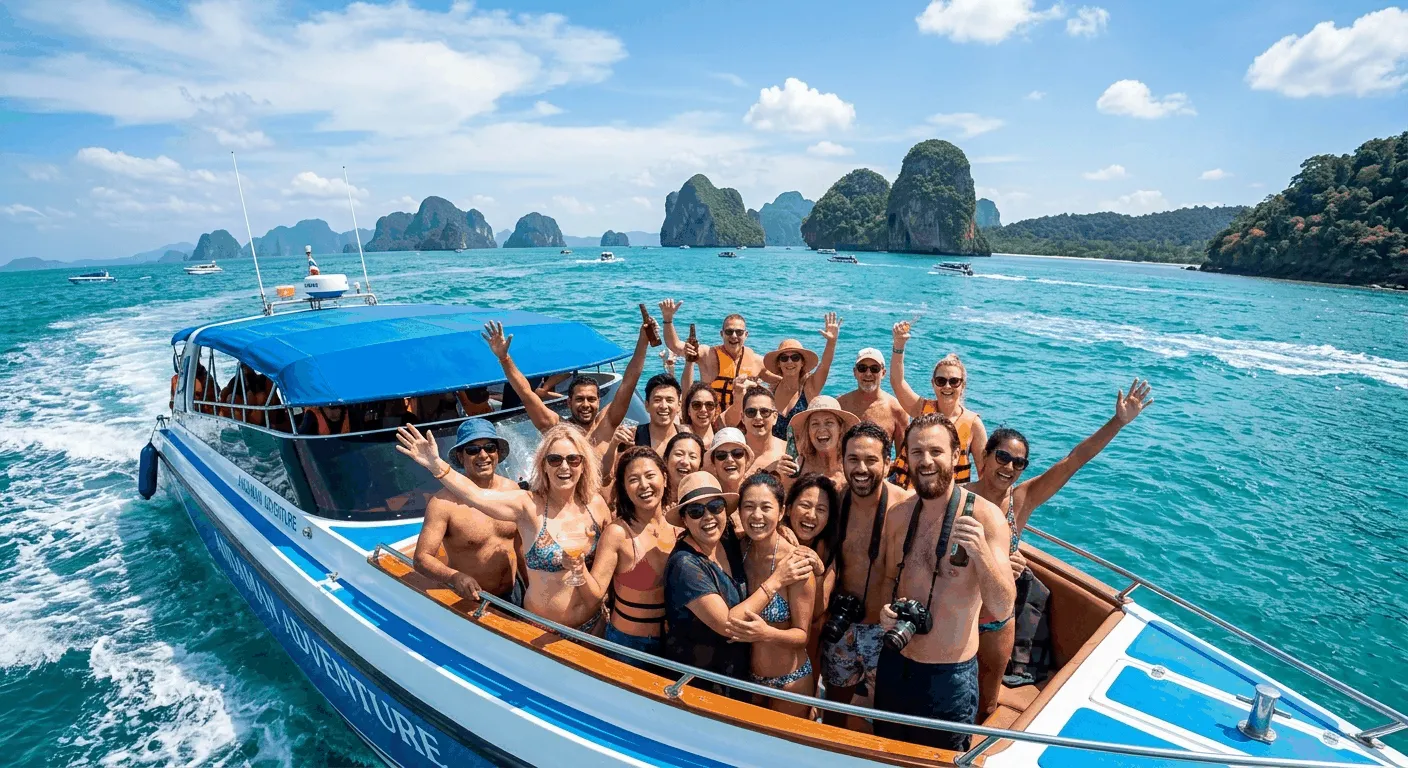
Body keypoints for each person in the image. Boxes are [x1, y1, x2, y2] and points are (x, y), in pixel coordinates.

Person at [965, 379, 1153, 719]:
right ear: (986, 456)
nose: (1008, 467)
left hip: (997, 617)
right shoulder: (959, 495)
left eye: (1018, 463)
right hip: (958, 608)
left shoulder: (1020, 501)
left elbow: (1073, 460)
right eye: (1003, 457)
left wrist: (1118, 423)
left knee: (987, 699)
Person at [872, 414, 1014, 750]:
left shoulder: (985, 517)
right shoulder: (898, 516)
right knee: (885, 753)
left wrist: (980, 553)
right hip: (895, 662)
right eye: (917, 452)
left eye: (936, 451)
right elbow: (888, 580)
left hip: (947, 678)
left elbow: (1003, 606)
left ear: (955, 456)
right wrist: (885, 613)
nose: (926, 461)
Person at [395, 422, 612, 633]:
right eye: (554, 459)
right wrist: (436, 465)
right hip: (531, 625)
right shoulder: (526, 504)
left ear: (584, 464)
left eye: (573, 459)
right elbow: (475, 496)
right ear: (543, 465)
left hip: (591, 623)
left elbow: (612, 558)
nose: (564, 466)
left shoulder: (596, 506)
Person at [662, 472, 811, 698]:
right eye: (695, 511)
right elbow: (728, 626)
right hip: (703, 683)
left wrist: (815, 561)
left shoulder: (730, 540)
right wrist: (777, 580)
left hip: (751, 680)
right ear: (684, 519)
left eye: (715, 506)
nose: (708, 517)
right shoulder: (685, 566)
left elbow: (804, 633)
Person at [818, 421, 913, 727]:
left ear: (888, 463)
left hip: (887, 631)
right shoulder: (833, 499)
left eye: (871, 460)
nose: (861, 468)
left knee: (889, 716)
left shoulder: (907, 508)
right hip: (841, 625)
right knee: (834, 710)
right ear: (841, 460)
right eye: (853, 459)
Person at [483, 313, 655, 455]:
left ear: (598, 401)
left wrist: (643, 341)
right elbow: (526, 394)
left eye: (591, 399)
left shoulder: (607, 423)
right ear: (568, 402)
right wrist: (504, 358)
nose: (586, 405)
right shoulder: (557, 428)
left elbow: (629, 381)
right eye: (579, 399)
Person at [578, 447, 677, 666]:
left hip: (674, 644)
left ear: (665, 478)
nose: (644, 485)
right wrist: (577, 568)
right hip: (629, 647)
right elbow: (594, 596)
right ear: (624, 488)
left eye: (650, 476)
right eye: (633, 479)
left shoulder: (679, 526)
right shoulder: (618, 533)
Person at [412, 419, 522, 604]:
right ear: (461, 457)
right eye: (472, 450)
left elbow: (520, 546)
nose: (483, 455)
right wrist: (454, 577)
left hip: (515, 593)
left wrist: (530, 588)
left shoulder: (513, 490)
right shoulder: (443, 503)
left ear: (498, 452)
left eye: (489, 447)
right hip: (473, 601)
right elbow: (421, 558)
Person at [733, 472, 816, 715]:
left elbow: (802, 636)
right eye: (748, 506)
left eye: (766, 507)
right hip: (748, 680)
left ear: (781, 513)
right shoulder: (737, 550)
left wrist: (766, 633)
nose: (757, 515)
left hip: (790, 682)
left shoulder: (796, 564)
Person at [890, 321, 988, 487]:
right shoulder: (921, 409)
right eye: (941, 381)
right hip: (906, 492)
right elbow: (897, 382)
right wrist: (899, 345)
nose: (947, 386)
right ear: (933, 384)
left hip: (947, 502)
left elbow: (984, 472)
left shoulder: (973, 425)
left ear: (963, 385)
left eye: (954, 381)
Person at [782, 473, 841, 692]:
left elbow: (817, 612)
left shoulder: (828, 551)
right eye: (805, 505)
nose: (811, 515)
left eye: (821, 510)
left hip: (805, 655)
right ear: (788, 509)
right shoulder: (771, 537)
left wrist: (817, 572)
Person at [658, 300, 770, 411]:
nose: (734, 336)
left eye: (739, 332)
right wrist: (668, 320)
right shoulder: (707, 354)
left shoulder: (757, 361)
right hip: (709, 419)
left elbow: (782, 379)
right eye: (729, 332)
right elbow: (675, 345)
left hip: (744, 422)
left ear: (746, 335)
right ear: (722, 334)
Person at [761, 313, 841, 440]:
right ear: (779, 363)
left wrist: (831, 342)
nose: (790, 362)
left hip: (804, 457)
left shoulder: (810, 387)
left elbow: (825, 365)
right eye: (784, 358)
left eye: (795, 357)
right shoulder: (771, 391)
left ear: (802, 362)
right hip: (777, 455)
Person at [837, 348, 910, 452]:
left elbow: (903, 457)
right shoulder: (840, 406)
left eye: (874, 369)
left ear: (883, 373)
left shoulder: (897, 410)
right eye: (862, 368)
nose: (868, 373)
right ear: (855, 372)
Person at [788, 395, 859, 490]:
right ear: (808, 431)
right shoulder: (796, 467)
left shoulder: (854, 466)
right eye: (815, 424)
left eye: (829, 423)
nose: (821, 430)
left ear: (840, 428)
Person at [732, 387, 788, 477]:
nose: (758, 417)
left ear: (775, 417)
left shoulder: (787, 452)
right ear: (742, 418)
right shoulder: (730, 453)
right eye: (751, 412)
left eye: (764, 412)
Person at [663, 431, 706, 499]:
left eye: (692, 457)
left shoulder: (705, 500)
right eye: (679, 454)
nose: (685, 461)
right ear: (666, 460)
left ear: (700, 466)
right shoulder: (653, 498)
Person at [681, 382, 722, 447]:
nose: (703, 410)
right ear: (688, 410)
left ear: (715, 409)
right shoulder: (679, 439)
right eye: (696, 405)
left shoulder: (723, 440)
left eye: (709, 405)